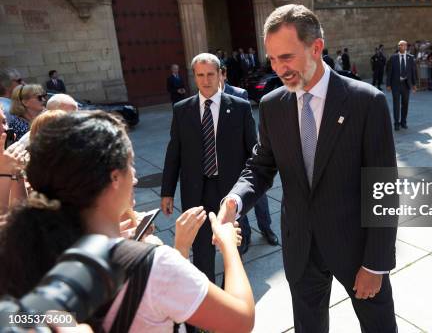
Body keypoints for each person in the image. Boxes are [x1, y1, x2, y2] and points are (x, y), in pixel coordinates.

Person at [217, 4, 398, 333]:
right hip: (301, 246)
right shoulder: (273, 106)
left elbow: (384, 189)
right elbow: (260, 165)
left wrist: (377, 262)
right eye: (272, 59)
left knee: (379, 327)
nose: (278, 68)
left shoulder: (365, 102)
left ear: (316, 47)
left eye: (286, 57)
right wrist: (235, 200)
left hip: (357, 249)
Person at [0, 111, 255, 332]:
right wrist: (228, 244)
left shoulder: (29, 249)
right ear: (114, 178)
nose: (135, 177)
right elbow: (241, 320)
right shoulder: (154, 263)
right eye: (129, 165)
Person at [161, 53, 257, 282]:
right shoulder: (182, 110)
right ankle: (208, 295)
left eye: (210, 74)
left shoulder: (240, 108)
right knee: (201, 249)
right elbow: (174, 152)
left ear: (220, 74)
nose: (206, 80)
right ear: (194, 77)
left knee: (231, 247)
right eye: (200, 75)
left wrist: (250, 191)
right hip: (196, 191)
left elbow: (253, 154)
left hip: (230, 192)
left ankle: (230, 293)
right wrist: (167, 191)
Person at [219, 64, 279, 252]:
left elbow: (249, 129)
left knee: (259, 197)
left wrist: (251, 154)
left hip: (245, 156)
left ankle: (266, 228)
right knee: (235, 200)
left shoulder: (239, 94)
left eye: (215, 74)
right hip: (226, 161)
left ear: (224, 74)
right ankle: (245, 236)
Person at [386, 40, 417, 130]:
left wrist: (414, 85)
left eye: (402, 45)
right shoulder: (393, 58)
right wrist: (388, 84)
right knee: (396, 104)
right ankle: (396, 123)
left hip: (406, 85)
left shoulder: (410, 58)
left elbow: (413, 72)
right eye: (399, 45)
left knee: (405, 104)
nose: (400, 47)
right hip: (396, 84)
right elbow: (389, 72)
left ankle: (403, 122)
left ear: (406, 47)